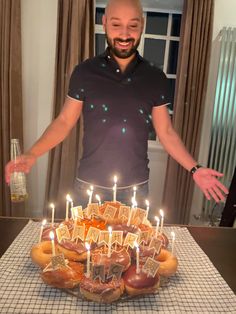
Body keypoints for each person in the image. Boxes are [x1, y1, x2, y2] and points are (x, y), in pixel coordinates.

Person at [5, 0, 228, 209]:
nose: (124, 34)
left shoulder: (155, 77)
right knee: (83, 250)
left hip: (136, 192)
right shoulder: (85, 72)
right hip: (88, 189)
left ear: (142, 25)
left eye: (133, 25)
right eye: (116, 25)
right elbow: (64, 122)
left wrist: (195, 169)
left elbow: (166, 132)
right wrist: (32, 154)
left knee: (133, 251)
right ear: (104, 24)